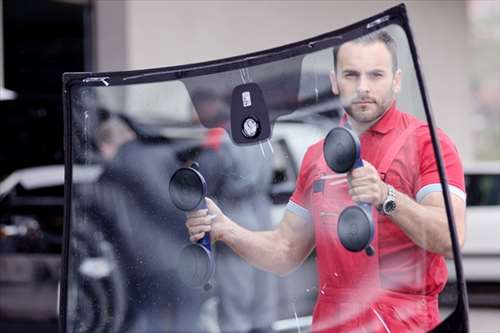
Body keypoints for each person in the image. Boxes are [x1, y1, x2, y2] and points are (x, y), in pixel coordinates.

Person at [185, 30, 466, 332]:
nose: (362, 87)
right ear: (334, 81)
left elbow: (451, 238)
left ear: (396, 81)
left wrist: (387, 197)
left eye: (375, 75)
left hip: (402, 323)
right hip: (334, 322)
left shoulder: (427, 144)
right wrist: (226, 229)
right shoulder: (317, 156)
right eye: (351, 75)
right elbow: (285, 251)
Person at [191, 91, 278, 333]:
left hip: (234, 221)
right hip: (264, 219)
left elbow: (202, 183)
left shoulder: (220, 139)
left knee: (235, 310)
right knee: (262, 308)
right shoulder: (261, 134)